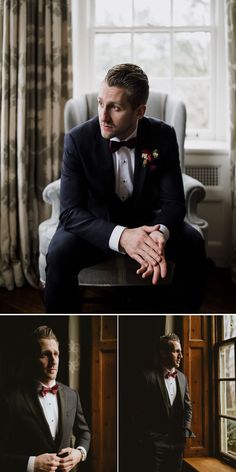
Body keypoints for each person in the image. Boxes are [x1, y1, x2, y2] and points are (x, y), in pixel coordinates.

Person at [44, 63, 206, 313]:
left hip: (148, 223)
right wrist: (123, 236)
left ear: (139, 111)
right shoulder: (78, 139)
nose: (103, 116)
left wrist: (158, 235)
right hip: (95, 226)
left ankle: (180, 317)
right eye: (100, 103)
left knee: (193, 244)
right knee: (58, 254)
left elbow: (174, 202)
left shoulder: (162, 135)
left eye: (115, 108)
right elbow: (70, 212)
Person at [0, 325, 90, 472]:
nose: (53, 360)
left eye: (56, 354)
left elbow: (84, 432)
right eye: (45, 354)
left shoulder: (72, 395)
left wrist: (80, 453)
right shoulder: (9, 399)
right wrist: (32, 464)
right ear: (31, 358)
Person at [130, 333, 194, 472]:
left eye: (181, 352)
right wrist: (147, 438)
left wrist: (185, 431)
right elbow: (136, 412)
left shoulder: (182, 378)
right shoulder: (146, 376)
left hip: (177, 444)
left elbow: (188, 408)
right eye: (176, 351)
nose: (181, 356)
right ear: (163, 353)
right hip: (153, 444)